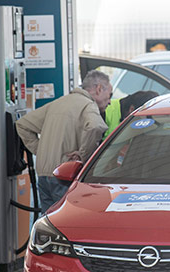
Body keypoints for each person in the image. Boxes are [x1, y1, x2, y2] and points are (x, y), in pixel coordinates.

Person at [16, 70, 112, 213]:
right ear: (98, 89)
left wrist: (40, 151)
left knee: (48, 222)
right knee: (67, 221)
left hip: (43, 174)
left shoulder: (58, 102)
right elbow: (95, 126)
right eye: (109, 95)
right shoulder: (88, 105)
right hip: (64, 174)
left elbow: (22, 124)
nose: (110, 101)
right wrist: (83, 156)